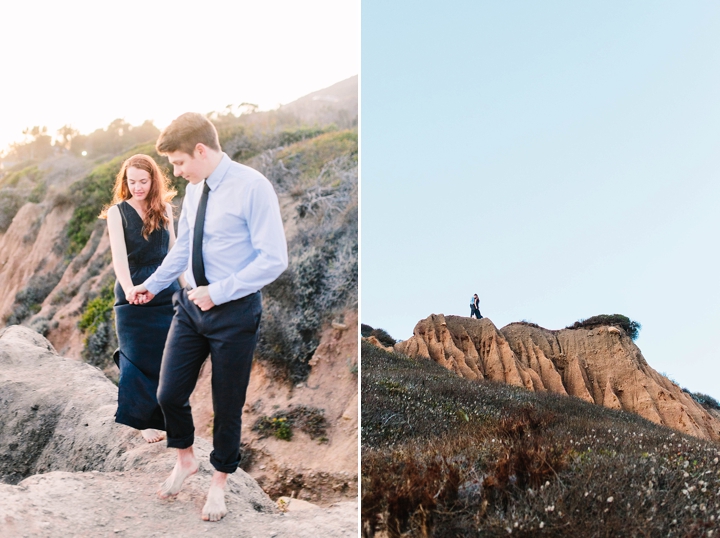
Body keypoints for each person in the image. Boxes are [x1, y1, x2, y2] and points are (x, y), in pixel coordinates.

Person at [127, 113, 288, 522]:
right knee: (167, 393)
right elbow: (181, 250)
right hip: (189, 307)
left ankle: (219, 484)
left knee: (227, 403)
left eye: (179, 163)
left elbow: (274, 259)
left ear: (201, 150)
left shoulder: (252, 187)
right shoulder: (196, 190)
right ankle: (185, 459)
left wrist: (218, 293)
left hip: (234, 313)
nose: (176, 173)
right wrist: (155, 284)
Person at [101, 154, 182, 443]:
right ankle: (144, 422)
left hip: (165, 290)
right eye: (131, 181)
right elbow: (119, 260)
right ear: (125, 182)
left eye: (143, 181)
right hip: (132, 292)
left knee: (168, 359)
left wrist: (186, 289)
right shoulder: (117, 213)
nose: (137, 187)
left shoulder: (164, 209)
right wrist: (129, 288)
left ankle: (168, 418)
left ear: (153, 181)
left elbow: (175, 254)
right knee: (136, 356)